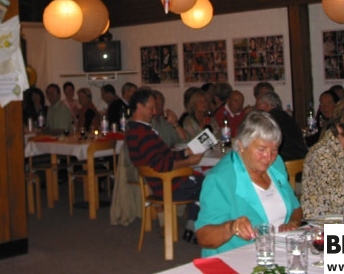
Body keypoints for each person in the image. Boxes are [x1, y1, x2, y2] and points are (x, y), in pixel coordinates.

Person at [194, 111, 303, 256]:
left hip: (278, 252)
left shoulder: (276, 164)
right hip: (237, 258)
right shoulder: (220, 179)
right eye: (262, 150)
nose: (268, 157)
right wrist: (231, 227)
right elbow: (203, 237)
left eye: (274, 149)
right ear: (241, 145)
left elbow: (296, 208)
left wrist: (292, 224)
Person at [125, 88, 204, 243]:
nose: (155, 112)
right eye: (151, 108)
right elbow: (162, 164)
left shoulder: (138, 130)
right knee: (213, 184)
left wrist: (186, 153)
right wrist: (189, 162)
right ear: (139, 107)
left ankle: (192, 228)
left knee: (206, 182)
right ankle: (197, 228)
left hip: (164, 184)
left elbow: (165, 155)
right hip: (168, 186)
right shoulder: (142, 133)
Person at [255, 91, 308, 161]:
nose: (256, 108)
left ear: (266, 105)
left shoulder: (268, 121)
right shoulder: (289, 118)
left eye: (258, 104)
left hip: (284, 162)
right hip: (301, 161)